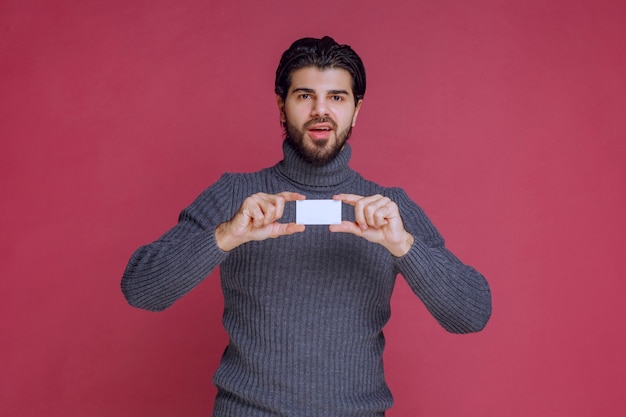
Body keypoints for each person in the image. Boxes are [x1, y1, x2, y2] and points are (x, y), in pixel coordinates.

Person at [121, 36, 492, 417]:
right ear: (282, 107)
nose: (321, 111)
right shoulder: (236, 194)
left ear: (356, 110)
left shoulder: (387, 210)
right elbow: (140, 289)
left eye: (336, 97)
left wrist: (405, 248)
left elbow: (472, 313)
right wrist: (227, 235)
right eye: (304, 96)